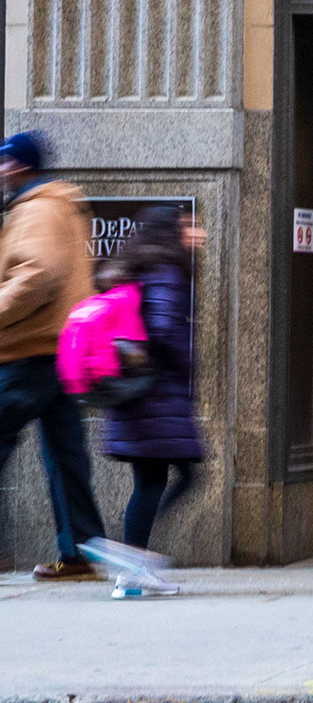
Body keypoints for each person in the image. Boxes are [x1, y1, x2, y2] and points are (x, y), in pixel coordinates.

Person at [0, 130, 110, 580]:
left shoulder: (39, 208)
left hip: (31, 352)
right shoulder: (59, 205)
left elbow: (39, 274)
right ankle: (80, 551)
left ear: (22, 167)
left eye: (5, 163)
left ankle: (80, 551)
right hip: (58, 351)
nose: (1, 172)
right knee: (66, 459)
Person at [89, 206, 206, 598]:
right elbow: (163, 329)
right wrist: (189, 362)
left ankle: (134, 564)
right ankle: (134, 561)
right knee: (173, 478)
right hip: (155, 397)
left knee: (157, 479)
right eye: (188, 225)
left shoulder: (136, 267)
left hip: (137, 398)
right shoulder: (167, 269)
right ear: (170, 231)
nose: (196, 231)